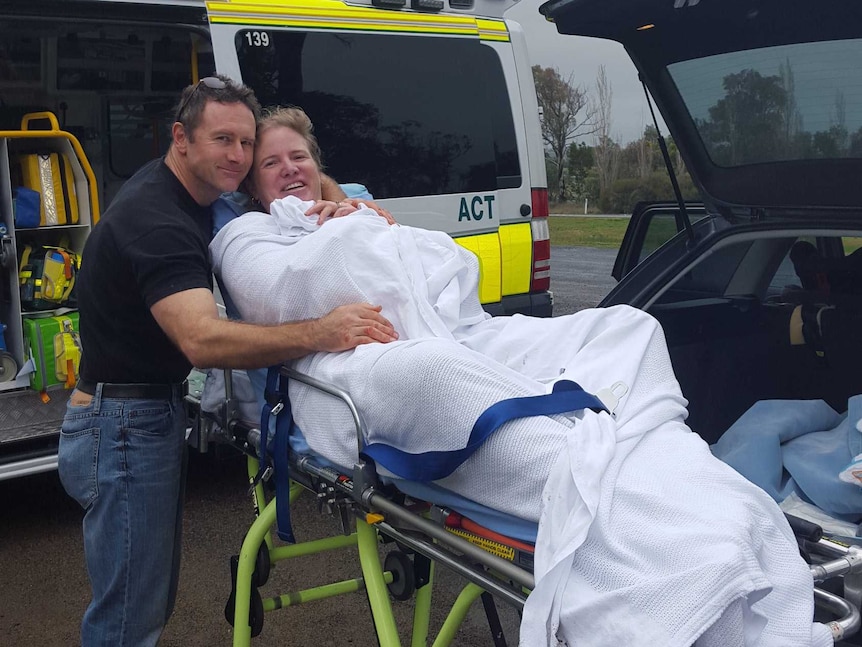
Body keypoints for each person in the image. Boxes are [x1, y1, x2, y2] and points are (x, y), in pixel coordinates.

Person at [211, 106, 832, 646]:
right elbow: (280, 295)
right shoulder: (248, 235)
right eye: (271, 163)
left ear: (319, 165)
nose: (290, 168)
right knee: (436, 369)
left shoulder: (359, 215)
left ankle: (633, 451)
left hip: (461, 332)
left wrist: (364, 224)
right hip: (367, 364)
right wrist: (337, 241)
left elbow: (449, 274)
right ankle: (582, 471)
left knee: (625, 326)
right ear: (253, 186)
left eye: (299, 156)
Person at [56, 78, 398, 647]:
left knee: (144, 601)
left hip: (137, 416)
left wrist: (335, 198)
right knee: (126, 621)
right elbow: (202, 341)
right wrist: (323, 331)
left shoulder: (191, 194)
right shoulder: (158, 220)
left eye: (245, 143)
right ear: (181, 138)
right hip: (121, 429)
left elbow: (293, 182)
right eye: (223, 140)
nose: (237, 157)